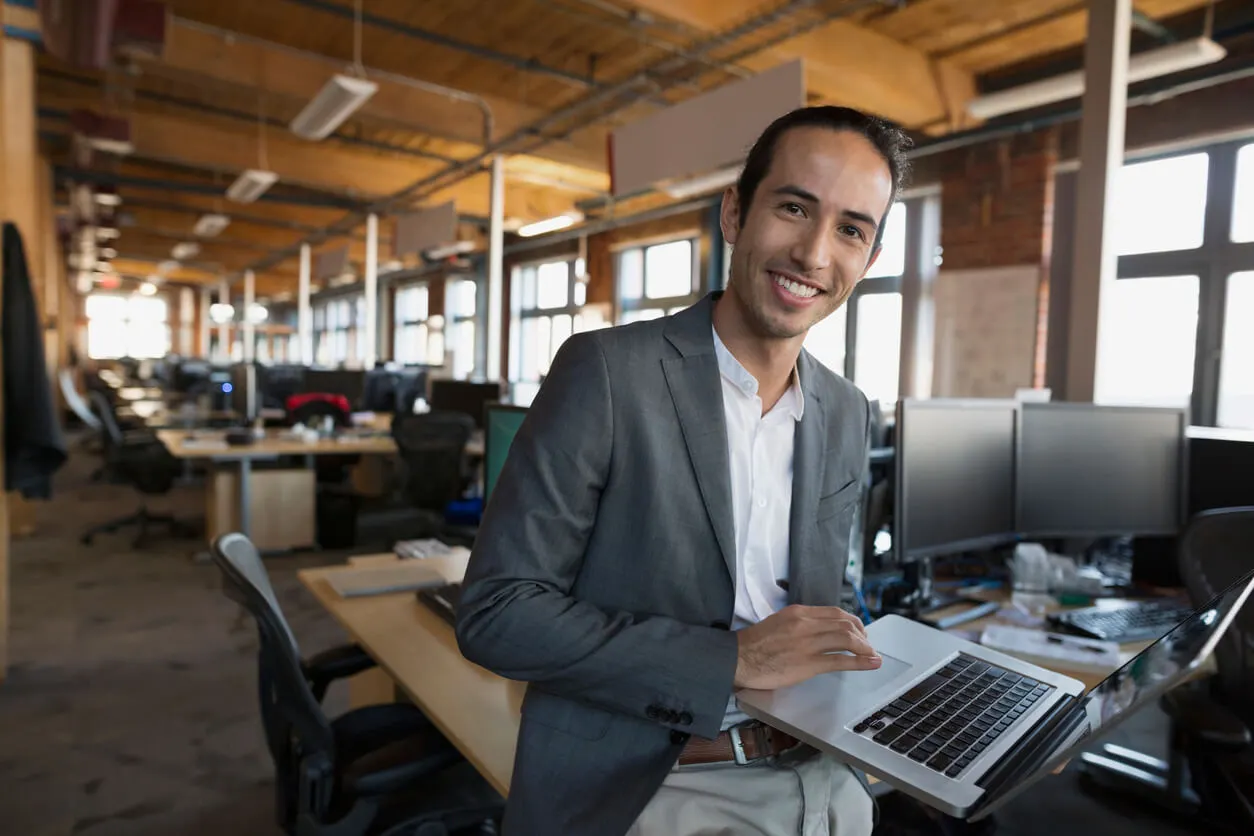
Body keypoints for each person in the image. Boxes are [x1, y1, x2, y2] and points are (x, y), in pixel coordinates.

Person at [456, 105, 911, 836]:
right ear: (735, 212)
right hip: (660, 786)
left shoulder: (847, 410)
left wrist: (876, 663)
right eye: (794, 208)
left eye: (851, 229)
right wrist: (730, 659)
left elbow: (827, 591)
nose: (814, 254)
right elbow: (497, 613)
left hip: (825, 770)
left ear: (869, 257)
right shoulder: (607, 373)